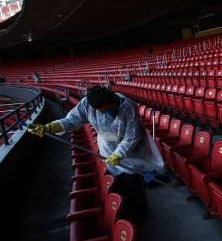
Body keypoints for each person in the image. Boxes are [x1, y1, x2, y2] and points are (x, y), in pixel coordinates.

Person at [29, 85, 163, 224]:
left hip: (130, 151)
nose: (107, 114)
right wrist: (49, 127)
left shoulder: (128, 107)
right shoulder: (87, 104)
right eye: (102, 112)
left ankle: (140, 213)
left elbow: (131, 136)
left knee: (133, 182)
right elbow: (71, 121)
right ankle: (127, 210)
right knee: (120, 181)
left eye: (109, 109)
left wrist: (119, 154)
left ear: (113, 100)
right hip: (108, 147)